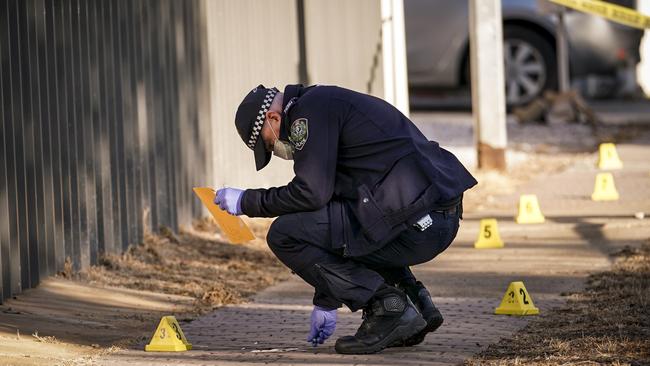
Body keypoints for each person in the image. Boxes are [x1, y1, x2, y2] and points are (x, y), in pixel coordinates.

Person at [214, 84, 477, 354]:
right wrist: (325, 300)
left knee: (285, 235)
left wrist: (246, 201)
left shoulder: (306, 114)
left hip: (416, 222)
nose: (279, 149)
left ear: (273, 118)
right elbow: (332, 215)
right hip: (437, 217)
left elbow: (311, 194)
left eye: (270, 143)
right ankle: (413, 300)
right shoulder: (324, 104)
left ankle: (388, 307)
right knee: (345, 227)